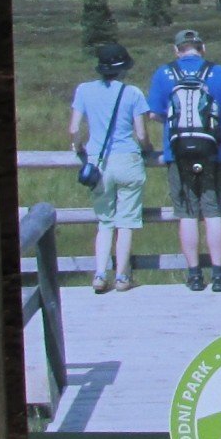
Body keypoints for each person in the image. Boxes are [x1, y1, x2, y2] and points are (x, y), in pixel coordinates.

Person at [148, 28, 221, 292]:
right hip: (215, 153)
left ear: (176, 49)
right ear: (202, 48)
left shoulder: (163, 73)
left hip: (177, 154)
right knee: (213, 214)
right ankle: (218, 274)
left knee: (187, 214)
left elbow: (154, 114)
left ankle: (193, 275)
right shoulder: (220, 73)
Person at [68, 42, 150, 294]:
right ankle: (122, 276)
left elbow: (73, 129)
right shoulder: (133, 93)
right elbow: (141, 134)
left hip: (98, 162)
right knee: (126, 222)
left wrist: (79, 147)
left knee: (105, 221)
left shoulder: (84, 90)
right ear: (123, 68)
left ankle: (99, 274)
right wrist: (147, 148)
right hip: (128, 160)